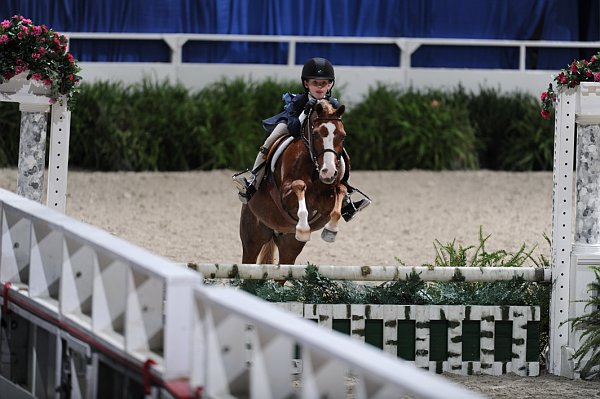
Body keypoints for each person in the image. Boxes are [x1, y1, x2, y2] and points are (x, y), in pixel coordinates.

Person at [232, 57, 370, 221]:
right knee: (270, 141)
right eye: (315, 83)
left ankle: (346, 198)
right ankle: (253, 181)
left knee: (342, 155)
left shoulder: (332, 103)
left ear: (330, 85)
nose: (320, 87)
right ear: (306, 84)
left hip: (320, 137)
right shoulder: (299, 101)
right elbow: (293, 128)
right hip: (294, 125)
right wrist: (306, 111)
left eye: (324, 83)